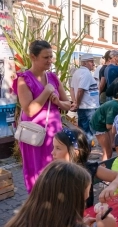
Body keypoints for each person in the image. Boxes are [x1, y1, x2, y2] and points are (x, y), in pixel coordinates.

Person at [13, 40, 71, 193]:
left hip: (54, 133)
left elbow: (68, 104)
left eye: (51, 57)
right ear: (33, 56)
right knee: (37, 171)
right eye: (46, 57)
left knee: (57, 169)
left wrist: (58, 101)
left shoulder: (53, 77)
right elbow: (29, 110)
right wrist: (46, 92)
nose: (50, 61)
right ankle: (39, 207)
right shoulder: (23, 79)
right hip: (34, 135)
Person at [52, 128, 118, 207]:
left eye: (58, 148)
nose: (52, 152)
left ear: (76, 152)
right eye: (54, 147)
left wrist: (112, 186)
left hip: (87, 216)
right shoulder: (54, 174)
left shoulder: (88, 168)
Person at [89, 91, 118, 161]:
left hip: (102, 125)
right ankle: (104, 168)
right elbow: (109, 126)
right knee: (107, 152)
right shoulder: (115, 107)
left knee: (109, 150)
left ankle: (106, 167)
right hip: (99, 126)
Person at [70, 53, 100, 144]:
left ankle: (83, 152)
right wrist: (77, 104)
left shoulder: (77, 72)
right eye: (91, 62)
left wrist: (75, 102)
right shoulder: (86, 73)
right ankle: (85, 154)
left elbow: (72, 89)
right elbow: (81, 90)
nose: (93, 64)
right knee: (87, 135)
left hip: (84, 107)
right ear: (84, 63)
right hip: (88, 107)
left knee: (83, 132)